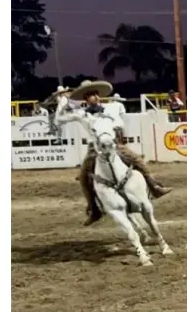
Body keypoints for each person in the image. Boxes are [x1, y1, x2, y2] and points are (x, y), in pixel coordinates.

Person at [57, 80, 171, 226]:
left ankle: (154, 187)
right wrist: (63, 101)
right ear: (86, 98)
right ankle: (94, 208)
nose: (96, 97)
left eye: (96, 94)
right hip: (94, 148)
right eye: (91, 95)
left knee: (137, 160)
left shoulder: (109, 109)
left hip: (113, 144)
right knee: (84, 177)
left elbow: (120, 123)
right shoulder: (81, 114)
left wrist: (110, 125)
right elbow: (60, 119)